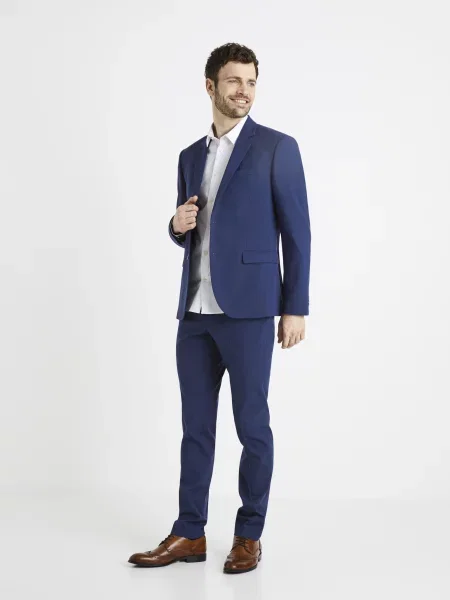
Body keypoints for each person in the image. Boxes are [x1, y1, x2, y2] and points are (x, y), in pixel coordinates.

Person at [128, 42, 311, 574]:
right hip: (195, 312)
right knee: (195, 429)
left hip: (250, 311)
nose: (244, 91)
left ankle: (248, 534)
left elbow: (297, 232)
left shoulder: (277, 148)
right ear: (210, 86)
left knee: (252, 426)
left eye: (251, 82)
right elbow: (191, 229)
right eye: (234, 81)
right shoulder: (189, 156)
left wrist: (294, 307)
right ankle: (190, 532)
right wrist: (174, 226)